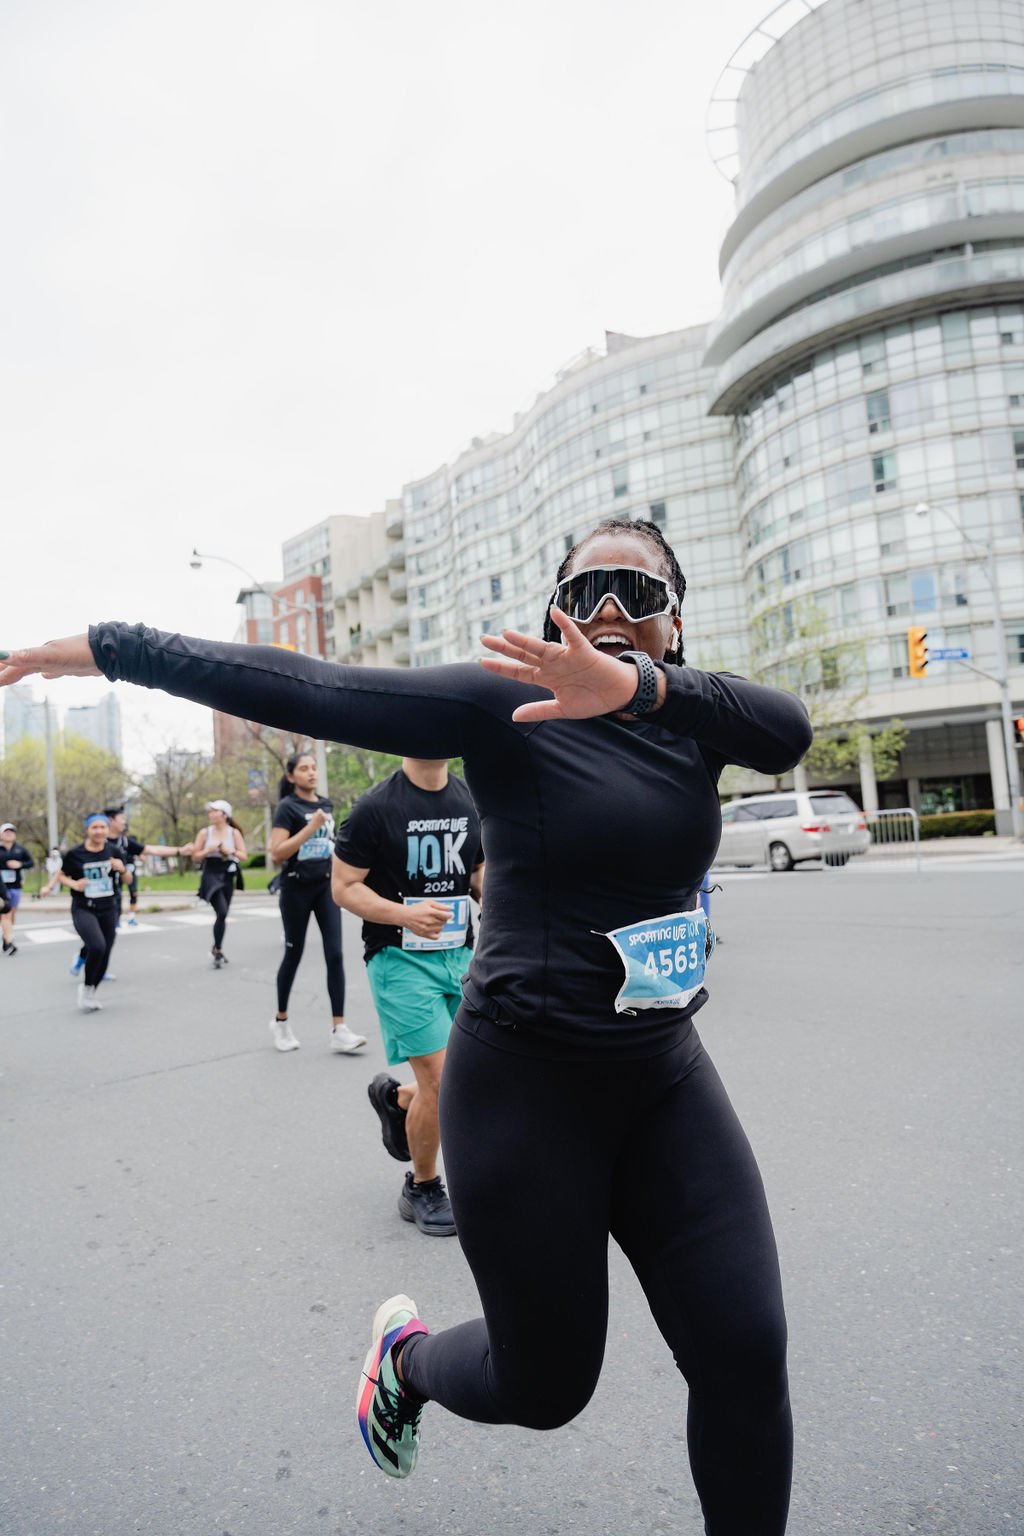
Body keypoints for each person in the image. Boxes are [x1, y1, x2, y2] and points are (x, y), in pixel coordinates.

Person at [0, 518, 812, 1534]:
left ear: (674, 625)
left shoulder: (698, 718)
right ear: (552, 615)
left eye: (636, 592)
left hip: (664, 1076)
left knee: (745, 1356)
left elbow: (790, 731)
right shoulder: (503, 706)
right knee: (547, 1386)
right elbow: (310, 685)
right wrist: (116, 648)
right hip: (525, 1085)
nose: (608, 608)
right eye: (587, 587)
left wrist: (646, 692)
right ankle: (406, 1362)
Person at [333, 757, 484, 1237]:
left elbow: (478, 872)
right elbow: (344, 887)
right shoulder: (374, 807)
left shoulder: (469, 799)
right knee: (442, 1082)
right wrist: (403, 914)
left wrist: (500, 900)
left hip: (461, 956)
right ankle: (421, 1185)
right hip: (398, 960)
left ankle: (399, 1100)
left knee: (477, 1075)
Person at [268, 751, 366, 1055]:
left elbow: (329, 843)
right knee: (293, 954)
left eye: (313, 768)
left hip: (325, 886)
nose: (311, 773)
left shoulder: (325, 803)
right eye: (304, 769)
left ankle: (339, 1028)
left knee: (335, 954)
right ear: (291, 776)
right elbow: (277, 853)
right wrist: (311, 828)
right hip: (296, 888)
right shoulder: (287, 808)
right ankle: (281, 1021)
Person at [68, 808, 188, 977]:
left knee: (106, 938)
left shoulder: (123, 843)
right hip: (87, 900)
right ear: (110, 821)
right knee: (95, 939)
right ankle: (82, 958)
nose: (124, 822)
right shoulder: (92, 842)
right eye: (121, 818)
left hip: (113, 897)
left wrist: (180, 851)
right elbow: (64, 869)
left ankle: (99, 969)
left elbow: (151, 850)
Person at [56, 813, 125, 1010]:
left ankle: (90, 990)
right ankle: (87, 987)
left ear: (107, 829)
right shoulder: (75, 853)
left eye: (102, 827)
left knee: (105, 952)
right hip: (84, 908)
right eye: (94, 827)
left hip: (108, 908)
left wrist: (122, 870)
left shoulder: (114, 851)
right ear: (88, 830)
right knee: (97, 946)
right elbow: (61, 876)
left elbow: (127, 879)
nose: (99, 831)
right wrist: (74, 884)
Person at [191, 800, 247, 968]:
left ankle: (217, 948)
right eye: (210, 812)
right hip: (210, 873)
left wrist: (229, 851)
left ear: (225, 814)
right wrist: (208, 850)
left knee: (223, 914)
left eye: (215, 811)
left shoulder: (233, 833)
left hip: (228, 873)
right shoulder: (204, 833)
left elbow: (243, 855)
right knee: (221, 911)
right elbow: (195, 856)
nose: (212, 815)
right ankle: (217, 949)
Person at [1, 822, 35, 955]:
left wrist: (19, 864)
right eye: (6, 831)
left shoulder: (20, 850)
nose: (9, 834)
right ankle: (9, 940)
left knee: (11, 914)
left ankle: (6, 936)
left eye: (11, 832)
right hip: (0, 888)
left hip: (15, 886)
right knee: (5, 914)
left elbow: (31, 863)